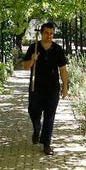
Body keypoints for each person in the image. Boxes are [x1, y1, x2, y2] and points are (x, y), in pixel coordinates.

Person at [21, 21, 69, 155]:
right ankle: (37, 129)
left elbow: (63, 70)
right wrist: (32, 60)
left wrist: (65, 87)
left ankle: (47, 144)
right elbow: (25, 66)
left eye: (51, 33)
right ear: (41, 33)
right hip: (36, 88)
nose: (49, 36)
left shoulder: (58, 49)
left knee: (50, 116)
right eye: (46, 33)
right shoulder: (34, 47)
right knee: (33, 111)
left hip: (52, 88)